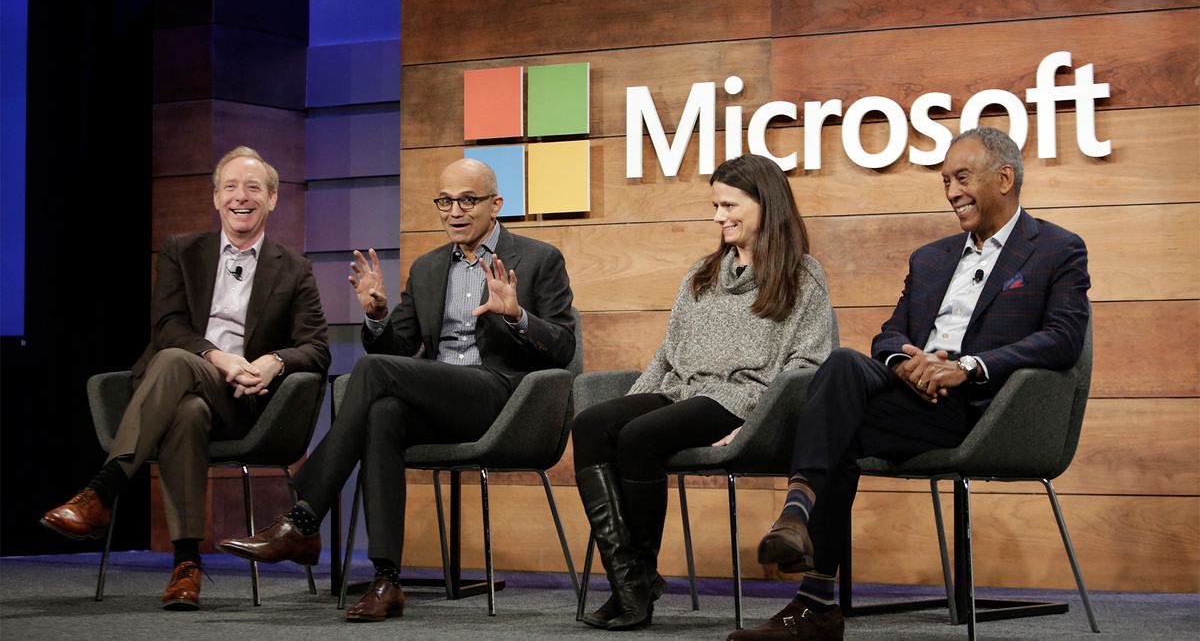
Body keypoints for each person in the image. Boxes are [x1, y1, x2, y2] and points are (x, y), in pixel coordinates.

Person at [733, 126, 1091, 641]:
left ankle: (810, 580)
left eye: (962, 178)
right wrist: (904, 362)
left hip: (982, 409)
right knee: (839, 367)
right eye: (945, 181)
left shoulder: (1056, 249)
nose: (951, 192)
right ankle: (803, 549)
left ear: (1005, 178)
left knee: (837, 427)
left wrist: (966, 366)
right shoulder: (931, 258)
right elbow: (890, 334)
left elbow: (1063, 339)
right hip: (916, 399)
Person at [217, 158, 576, 622]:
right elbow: (399, 348)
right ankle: (387, 581)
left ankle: (304, 517)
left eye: (468, 200)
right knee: (384, 410)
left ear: (495, 204)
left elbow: (564, 347)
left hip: (504, 400)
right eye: (445, 201)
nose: (455, 212)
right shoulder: (428, 268)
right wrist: (378, 315)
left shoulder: (539, 258)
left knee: (374, 373)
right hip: (441, 398)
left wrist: (517, 317)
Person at [40, 146, 331, 611]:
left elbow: (316, 348)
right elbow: (168, 325)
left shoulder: (294, 268)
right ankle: (186, 563)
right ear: (215, 197)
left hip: (244, 404)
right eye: (231, 187)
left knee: (175, 361)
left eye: (254, 188)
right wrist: (220, 357)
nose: (242, 197)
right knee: (186, 405)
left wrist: (273, 360)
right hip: (181, 387)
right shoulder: (181, 250)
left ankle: (102, 492)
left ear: (273, 198)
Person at [571, 153, 836, 631]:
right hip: (682, 391)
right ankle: (632, 580)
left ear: (765, 205)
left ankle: (635, 586)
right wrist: (631, 402)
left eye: (730, 205)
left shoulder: (803, 275)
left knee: (640, 437)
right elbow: (667, 354)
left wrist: (753, 425)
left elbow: (808, 365)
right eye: (715, 206)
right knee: (593, 424)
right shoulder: (703, 273)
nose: (719, 217)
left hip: (741, 401)